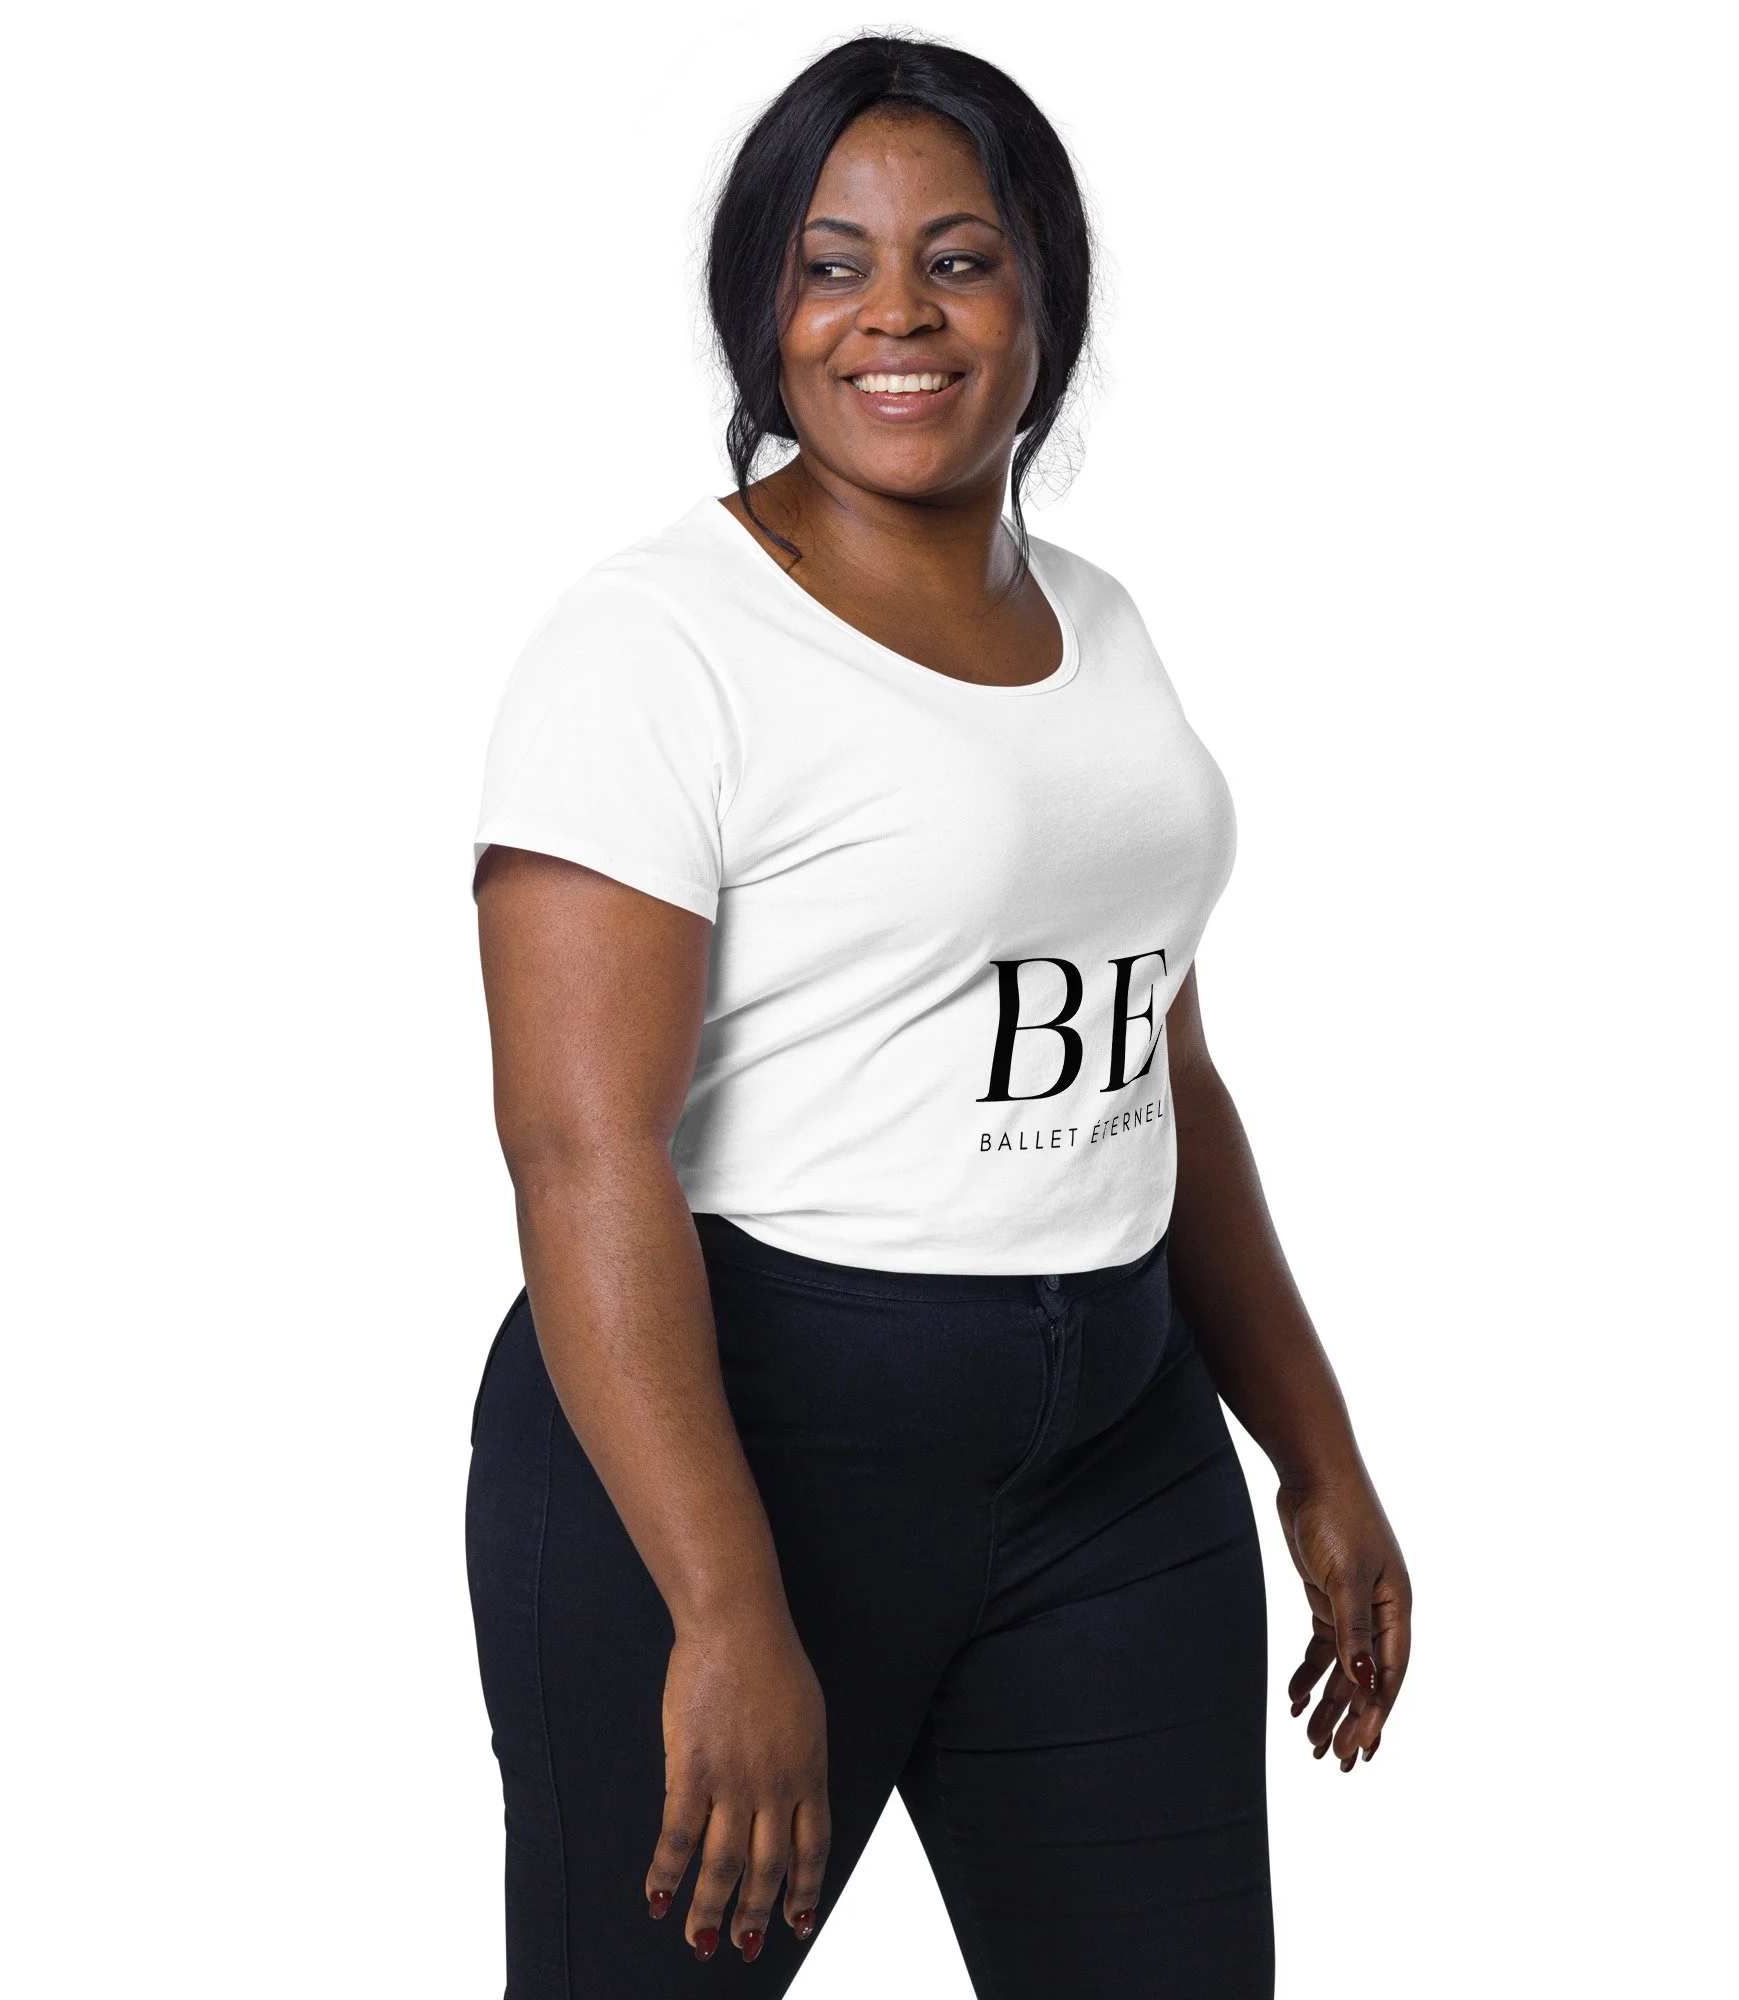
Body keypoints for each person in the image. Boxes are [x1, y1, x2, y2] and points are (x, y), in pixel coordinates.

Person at [466, 33, 1410, 2000]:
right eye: (832, 266)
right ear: (762, 309)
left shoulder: (1101, 622)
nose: (894, 314)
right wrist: (724, 1610)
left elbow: (1161, 1060)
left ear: (1043, 297)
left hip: (1118, 1458)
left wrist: (1311, 1446)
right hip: (749, 1448)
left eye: (958, 260)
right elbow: (578, 1149)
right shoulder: (655, 644)